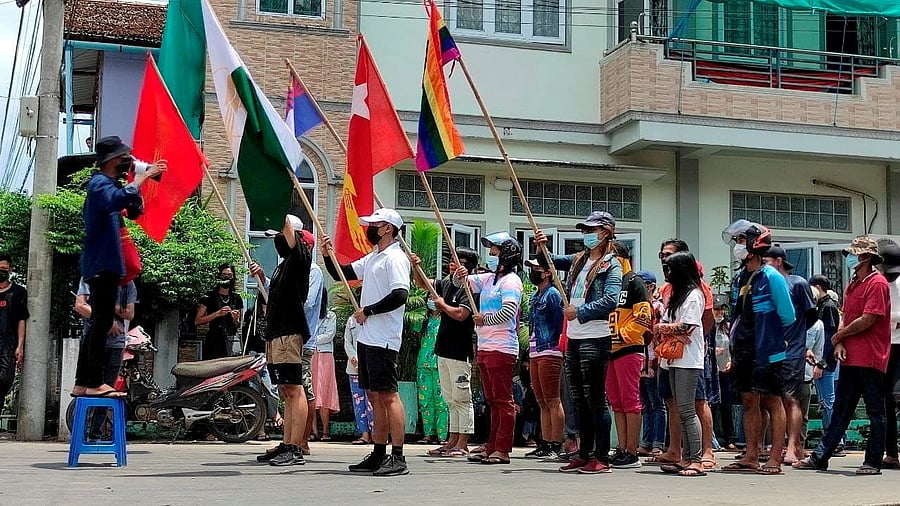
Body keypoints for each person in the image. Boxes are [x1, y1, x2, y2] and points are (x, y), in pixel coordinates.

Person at [322, 208, 411, 476]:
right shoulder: (374, 257)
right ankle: (378, 451)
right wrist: (328, 255)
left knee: (388, 395)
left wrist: (368, 310)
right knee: (374, 396)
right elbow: (343, 273)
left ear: (388, 229)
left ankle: (398, 456)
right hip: (367, 337)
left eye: (375, 224)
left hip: (383, 338)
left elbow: (400, 295)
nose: (370, 228)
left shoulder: (395, 258)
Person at [75, 136, 164, 398]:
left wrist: (139, 193)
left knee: (99, 322)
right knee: (100, 321)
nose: (128, 161)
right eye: (124, 157)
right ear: (113, 160)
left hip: (106, 262)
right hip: (102, 262)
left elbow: (130, 207)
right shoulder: (99, 184)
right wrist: (144, 176)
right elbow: (118, 198)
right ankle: (92, 382)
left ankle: (83, 382)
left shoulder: (108, 187)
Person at [794, 236, 890, 475]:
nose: (850, 259)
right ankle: (820, 456)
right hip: (851, 356)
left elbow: (868, 319)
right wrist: (839, 342)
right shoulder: (854, 283)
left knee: (875, 412)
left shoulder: (877, 283)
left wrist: (839, 337)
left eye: (855, 255)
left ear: (866, 257)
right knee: (840, 410)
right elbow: (845, 316)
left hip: (871, 357)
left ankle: (873, 461)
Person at [535, 211, 622, 475]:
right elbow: (549, 261)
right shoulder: (579, 260)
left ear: (605, 232)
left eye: (591, 230)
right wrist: (541, 246)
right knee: (577, 399)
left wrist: (580, 312)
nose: (586, 235)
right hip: (573, 337)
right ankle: (583, 454)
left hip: (595, 337)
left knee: (596, 399)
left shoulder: (612, 264)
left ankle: (601, 457)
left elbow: (610, 300)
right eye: (584, 230)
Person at [721, 220, 795, 476]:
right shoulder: (741, 277)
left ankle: (775, 457)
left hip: (768, 349)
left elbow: (788, 314)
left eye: (742, 240)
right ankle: (751, 454)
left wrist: (769, 333)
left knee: (773, 401)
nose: (738, 246)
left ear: (755, 244)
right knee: (749, 399)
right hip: (743, 349)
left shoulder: (772, 276)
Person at [454, 231, 524, 466]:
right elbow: (460, 283)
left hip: (502, 347)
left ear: (506, 254)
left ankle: (502, 448)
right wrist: (460, 273)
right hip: (485, 346)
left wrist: (485, 319)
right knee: (491, 400)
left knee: (503, 401)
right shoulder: (489, 279)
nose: (491, 254)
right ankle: (491, 444)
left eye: (494, 250)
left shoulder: (511, 281)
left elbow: (508, 312)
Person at [249, 214, 313, 466]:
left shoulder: (300, 258)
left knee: (295, 389)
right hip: (276, 332)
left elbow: (288, 229)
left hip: (289, 332)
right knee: (286, 390)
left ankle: (295, 446)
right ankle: (287, 442)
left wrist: (280, 198)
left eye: (279, 235)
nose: (276, 240)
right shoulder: (283, 264)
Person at [649, 238, 717, 470]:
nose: (666, 270)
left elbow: (688, 326)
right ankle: (685, 456)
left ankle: (695, 458)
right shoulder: (675, 294)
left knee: (688, 408)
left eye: (671, 267)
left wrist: (662, 329)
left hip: (688, 359)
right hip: (672, 357)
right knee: (678, 406)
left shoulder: (694, 294)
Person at [410, 246, 479, 457]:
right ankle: (452, 440)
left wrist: (442, 305)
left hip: (460, 350)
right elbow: (423, 282)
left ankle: (463, 442)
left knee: (462, 397)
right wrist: (416, 266)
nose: (452, 263)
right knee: (449, 398)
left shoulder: (470, 289)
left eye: (457, 261)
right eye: (451, 259)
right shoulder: (447, 284)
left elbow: (461, 314)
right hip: (443, 348)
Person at [762, 246, 817, 464]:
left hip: (792, 349)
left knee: (790, 398)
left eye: (766, 260)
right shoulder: (764, 283)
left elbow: (811, 315)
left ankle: (794, 445)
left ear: (778, 261)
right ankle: (773, 444)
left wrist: (797, 338)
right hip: (769, 348)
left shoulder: (797, 283)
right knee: (769, 400)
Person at [606, 241, 652, 469]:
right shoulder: (607, 282)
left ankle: (632, 451)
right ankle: (622, 447)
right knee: (616, 401)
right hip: (609, 350)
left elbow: (644, 315)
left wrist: (624, 335)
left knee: (630, 400)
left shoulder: (634, 282)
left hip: (628, 348)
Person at [74, 278, 137, 438]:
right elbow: (80, 305)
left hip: (116, 345)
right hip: (93, 341)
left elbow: (129, 313)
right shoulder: (92, 277)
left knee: (107, 390)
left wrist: (107, 309)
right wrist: (106, 320)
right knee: (87, 389)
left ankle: (95, 433)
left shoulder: (128, 284)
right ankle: (79, 433)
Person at [522, 255, 565, 460]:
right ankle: (545, 442)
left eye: (536, 268)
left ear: (548, 272)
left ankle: (555, 443)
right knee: (541, 400)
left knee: (552, 399)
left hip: (550, 350)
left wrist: (558, 345)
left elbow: (559, 323)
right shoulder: (535, 296)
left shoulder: (553, 295)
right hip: (535, 350)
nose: (533, 272)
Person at [808, 274, 843, 450]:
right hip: (823, 361)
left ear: (818, 287)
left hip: (825, 363)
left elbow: (829, 338)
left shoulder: (827, 307)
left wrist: (821, 363)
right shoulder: (822, 306)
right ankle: (833, 439)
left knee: (828, 402)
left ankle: (834, 440)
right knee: (827, 402)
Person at [635, 270, 666, 457]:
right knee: (645, 403)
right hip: (641, 361)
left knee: (657, 403)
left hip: (654, 360)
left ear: (650, 286)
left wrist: (657, 361)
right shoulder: (639, 306)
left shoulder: (658, 307)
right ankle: (646, 441)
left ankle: (658, 442)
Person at [878, 242, 900, 469]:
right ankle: (891, 452)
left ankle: (892, 452)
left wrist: (887, 319)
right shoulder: (877, 282)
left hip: (894, 345)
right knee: (887, 402)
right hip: (885, 346)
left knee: (892, 398)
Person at [416, 300, 449, 446]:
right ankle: (428, 434)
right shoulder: (423, 319)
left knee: (441, 402)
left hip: (440, 363)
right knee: (425, 401)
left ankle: (442, 436)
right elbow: (418, 336)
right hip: (423, 363)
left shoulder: (447, 318)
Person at [194, 264, 243, 360]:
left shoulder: (236, 298)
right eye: (224, 275)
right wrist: (217, 314)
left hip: (231, 340)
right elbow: (197, 321)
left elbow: (238, 325)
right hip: (214, 340)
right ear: (219, 276)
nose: (227, 278)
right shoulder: (209, 297)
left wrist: (236, 319)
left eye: (229, 275)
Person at [0, 254, 27, 414]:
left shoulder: (18, 292)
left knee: (4, 381)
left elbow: (21, 320)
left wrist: (20, 346)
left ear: (10, 269)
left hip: (8, 346)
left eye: (4, 269)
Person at [344, 315, 374, 445]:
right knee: (358, 402)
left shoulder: (374, 318)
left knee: (372, 402)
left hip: (370, 366)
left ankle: (376, 433)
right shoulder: (351, 319)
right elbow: (347, 341)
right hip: (354, 367)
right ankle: (364, 433)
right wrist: (353, 357)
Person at [312, 308, 339, 441]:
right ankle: (313, 431)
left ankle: (326, 430)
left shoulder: (330, 315)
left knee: (324, 392)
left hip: (325, 355)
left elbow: (329, 335)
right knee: (311, 392)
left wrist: (312, 339)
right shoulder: (309, 313)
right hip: (311, 354)